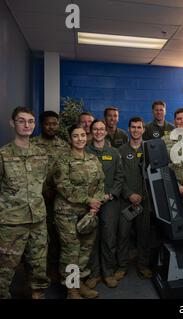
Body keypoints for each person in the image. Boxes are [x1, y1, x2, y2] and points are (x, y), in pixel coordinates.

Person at [0, 107, 49, 299]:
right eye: (21, 121)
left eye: (30, 121)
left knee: (38, 264)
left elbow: (44, 183)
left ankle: (38, 293)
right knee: (5, 267)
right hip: (12, 222)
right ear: (12, 123)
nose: (26, 125)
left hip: (37, 219)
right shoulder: (3, 155)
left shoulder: (41, 154)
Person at [53, 124, 106, 299]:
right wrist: (88, 200)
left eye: (83, 135)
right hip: (67, 213)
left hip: (88, 213)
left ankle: (80, 283)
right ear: (70, 138)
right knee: (71, 251)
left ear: (87, 136)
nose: (80, 139)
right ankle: (72, 290)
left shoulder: (93, 159)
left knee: (85, 248)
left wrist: (95, 202)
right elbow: (63, 186)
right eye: (76, 136)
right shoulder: (62, 160)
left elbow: (100, 182)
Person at [85, 120, 124, 289]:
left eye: (101, 129)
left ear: (106, 132)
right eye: (95, 129)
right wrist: (89, 199)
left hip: (109, 202)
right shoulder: (84, 151)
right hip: (90, 203)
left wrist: (110, 194)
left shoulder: (114, 153)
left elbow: (119, 177)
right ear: (91, 131)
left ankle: (108, 273)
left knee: (109, 238)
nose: (99, 132)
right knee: (91, 239)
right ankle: (94, 274)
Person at [31, 111, 69, 282]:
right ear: (41, 124)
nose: (51, 127)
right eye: (48, 123)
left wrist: (55, 190)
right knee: (38, 237)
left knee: (56, 235)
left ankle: (54, 268)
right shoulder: (32, 145)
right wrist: (42, 191)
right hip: (36, 200)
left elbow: (68, 172)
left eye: (54, 123)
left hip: (59, 198)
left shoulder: (64, 146)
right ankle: (36, 274)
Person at [117, 117, 156, 281]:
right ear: (128, 128)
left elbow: (154, 175)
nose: (136, 130)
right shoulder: (120, 150)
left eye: (139, 127)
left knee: (144, 235)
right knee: (123, 235)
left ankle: (143, 265)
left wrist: (142, 195)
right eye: (133, 127)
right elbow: (118, 176)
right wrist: (129, 194)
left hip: (145, 201)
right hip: (126, 201)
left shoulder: (150, 149)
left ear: (143, 129)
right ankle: (121, 266)